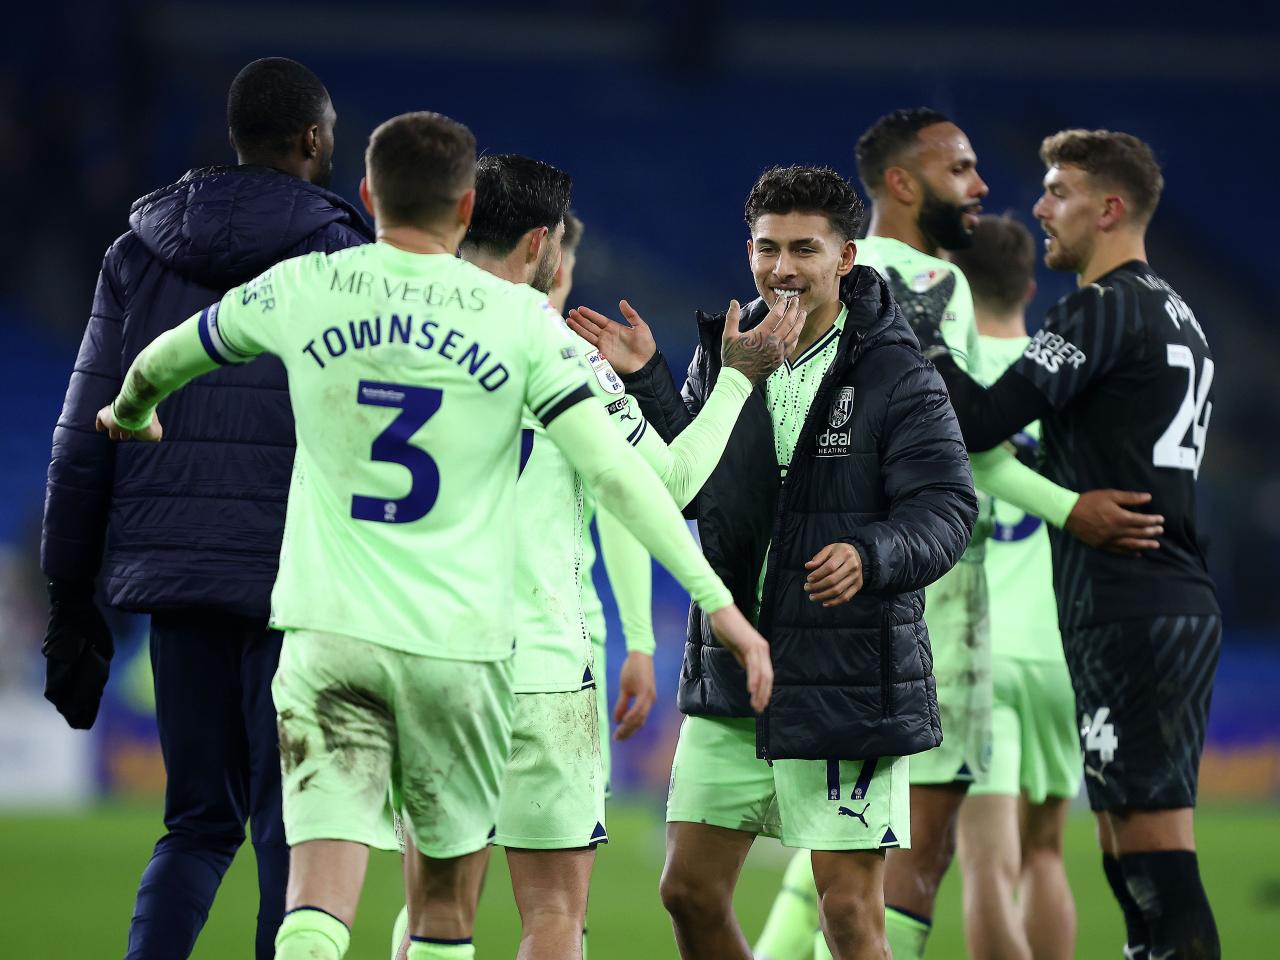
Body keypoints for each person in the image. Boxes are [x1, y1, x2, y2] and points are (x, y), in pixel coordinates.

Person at [94, 112, 773, 960]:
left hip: (332, 638)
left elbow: (168, 352)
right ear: (477, 214)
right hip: (476, 654)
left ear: (371, 194)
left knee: (320, 905)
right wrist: (713, 604)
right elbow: (637, 484)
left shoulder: (311, 286)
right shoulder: (537, 337)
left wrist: (132, 412)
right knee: (490, 913)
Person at [753, 108, 1153, 960]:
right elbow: (968, 449)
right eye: (960, 170)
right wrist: (1071, 508)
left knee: (840, 842)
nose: (979, 187)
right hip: (925, 603)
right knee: (912, 857)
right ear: (903, 184)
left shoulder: (833, 282)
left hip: (831, 590)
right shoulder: (934, 287)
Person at [386, 152, 796, 960]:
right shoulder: (564, 356)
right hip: (539, 666)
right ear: (542, 245)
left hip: (428, 655)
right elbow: (665, 483)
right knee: (552, 916)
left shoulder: (399, 332)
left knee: (435, 909)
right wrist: (738, 380)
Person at [569, 164, 978, 960]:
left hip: (848, 679)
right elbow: (688, 488)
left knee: (852, 916)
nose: (782, 268)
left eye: (804, 249)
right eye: (767, 248)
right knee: (686, 892)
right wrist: (651, 382)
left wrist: (871, 552)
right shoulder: (729, 351)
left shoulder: (898, 372)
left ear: (846, 258)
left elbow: (947, 509)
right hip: (731, 672)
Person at [40, 57, 374, 960]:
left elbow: (81, 437)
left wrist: (72, 602)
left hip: (179, 577)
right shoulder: (342, 256)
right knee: (287, 834)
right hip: (296, 588)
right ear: (313, 140)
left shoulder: (136, 252)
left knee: (194, 825)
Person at [922, 129, 1220, 960]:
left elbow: (979, 420)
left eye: (1059, 193)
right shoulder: (1174, 310)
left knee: (1157, 858)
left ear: (1110, 208)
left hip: (1133, 606)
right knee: (1128, 856)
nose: (1042, 208)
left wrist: (923, 342)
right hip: (1145, 603)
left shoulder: (1100, 307)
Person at [951, 214, 1081, 960]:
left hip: (976, 651)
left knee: (986, 867)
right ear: (1030, 286)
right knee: (1046, 855)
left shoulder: (937, 376)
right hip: (1061, 647)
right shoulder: (1067, 374)